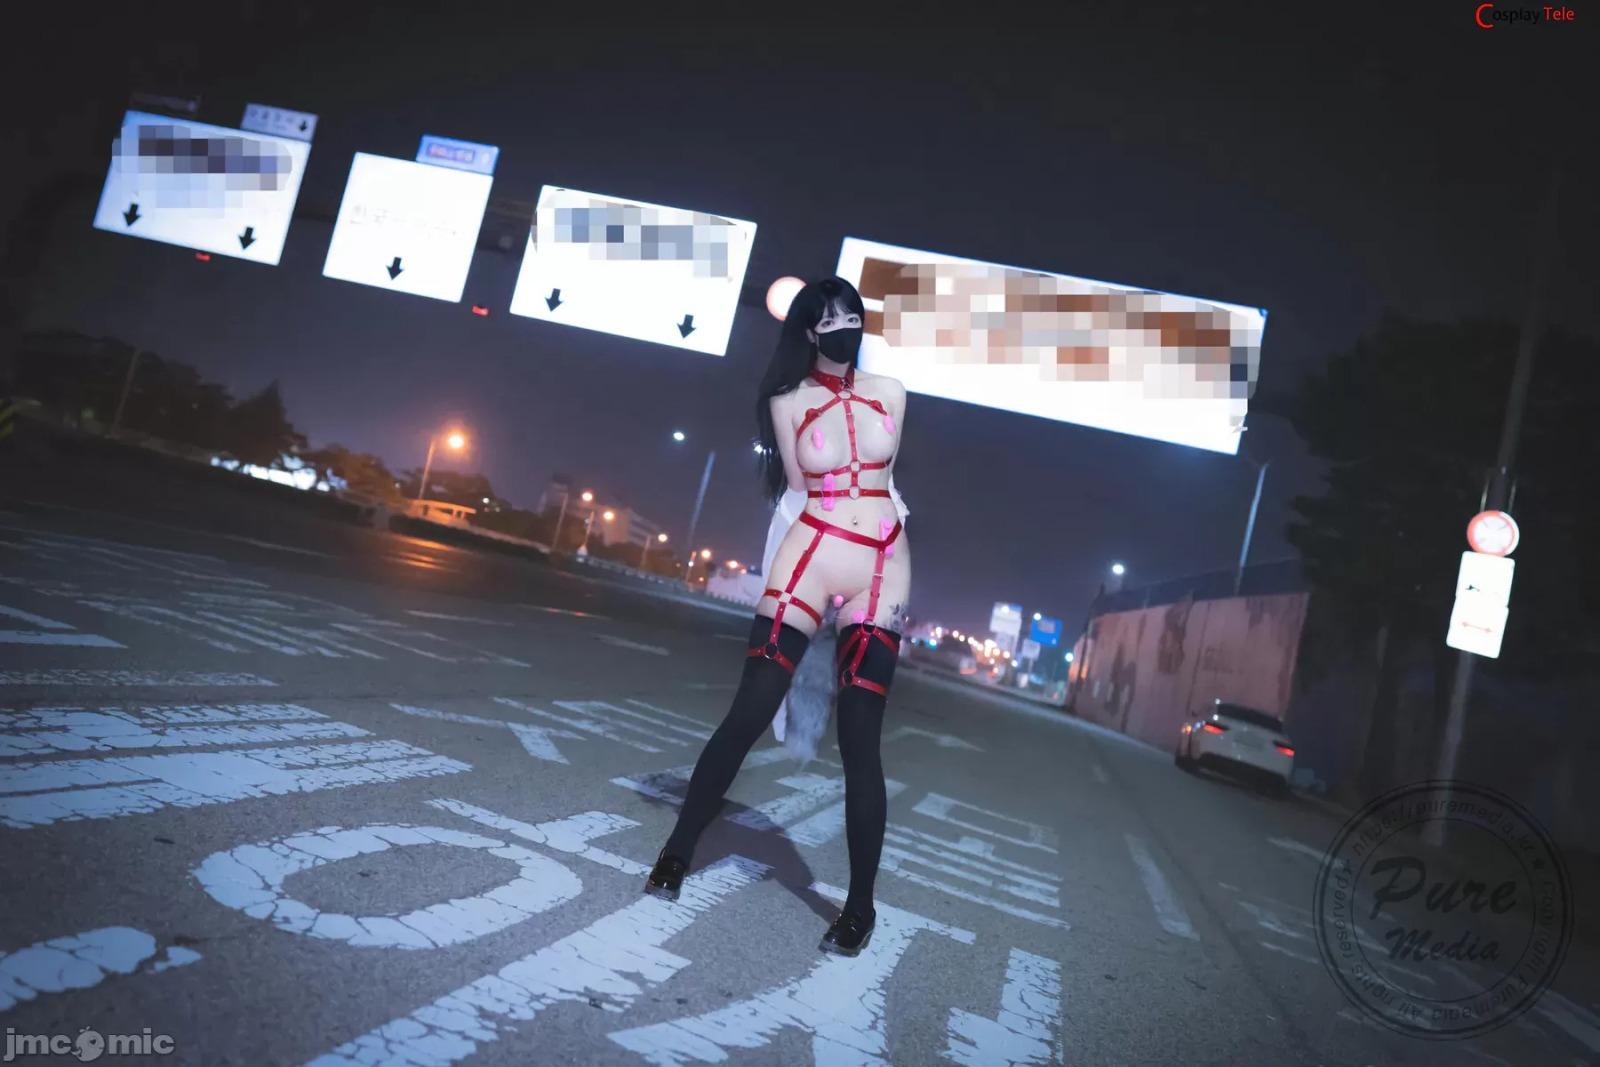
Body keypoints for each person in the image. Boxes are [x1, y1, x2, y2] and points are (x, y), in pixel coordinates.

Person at [645, 276, 912, 957]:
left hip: (881, 562)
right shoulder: (786, 401)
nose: (847, 326)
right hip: (811, 550)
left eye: (854, 314)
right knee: (750, 709)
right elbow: (798, 492)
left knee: (861, 742)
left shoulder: (892, 393)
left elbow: (882, 482)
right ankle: (678, 848)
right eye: (833, 318)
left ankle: (859, 907)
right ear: (809, 330)